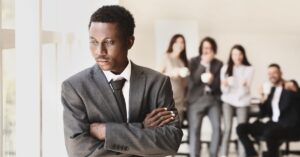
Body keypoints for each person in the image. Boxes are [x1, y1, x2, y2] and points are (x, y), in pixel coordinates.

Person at [61, 5, 183, 157]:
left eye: (109, 42)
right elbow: (79, 152)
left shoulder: (157, 82)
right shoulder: (75, 87)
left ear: (129, 42)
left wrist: (107, 132)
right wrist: (142, 128)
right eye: (93, 41)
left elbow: (171, 142)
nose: (100, 51)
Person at [236, 64, 300, 157]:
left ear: (280, 73)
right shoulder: (271, 91)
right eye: (269, 73)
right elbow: (265, 113)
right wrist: (263, 98)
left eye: (274, 72)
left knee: (270, 133)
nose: (272, 75)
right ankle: (253, 154)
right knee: (241, 128)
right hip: (272, 124)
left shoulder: (289, 86)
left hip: (288, 125)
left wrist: (295, 90)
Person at [187, 37, 223, 157]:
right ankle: (194, 154)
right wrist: (203, 64)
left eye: (209, 48)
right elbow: (193, 81)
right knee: (195, 129)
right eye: (204, 48)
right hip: (196, 100)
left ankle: (213, 154)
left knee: (217, 128)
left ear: (214, 50)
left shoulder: (219, 64)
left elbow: (219, 85)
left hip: (213, 99)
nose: (207, 50)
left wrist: (212, 81)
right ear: (201, 49)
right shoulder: (193, 61)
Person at [220, 45, 254, 157]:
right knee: (227, 129)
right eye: (235, 54)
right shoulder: (225, 68)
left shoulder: (249, 69)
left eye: (240, 54)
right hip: (228, 101)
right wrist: (225, 84)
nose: (237, 56)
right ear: (231, 55)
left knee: (241, 130)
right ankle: (224, 155)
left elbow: (246, 90)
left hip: (243, 102)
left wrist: (242, 85)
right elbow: (223, 90)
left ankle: (242, 155)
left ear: (243, 55)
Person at [160, 34, 189, 125]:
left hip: (180, 99)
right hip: (167, 98)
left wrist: (186, 75)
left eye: (182, 42)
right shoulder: (166, 57)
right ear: (172, 44)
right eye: (177, 42)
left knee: (177, 128)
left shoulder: (182, 62)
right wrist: (172, 73)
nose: (179, 44)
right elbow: (157, 75)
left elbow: (184, 84)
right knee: (167, 127)